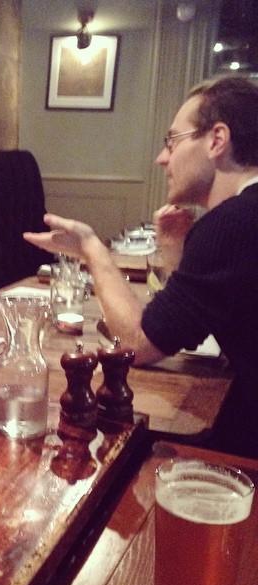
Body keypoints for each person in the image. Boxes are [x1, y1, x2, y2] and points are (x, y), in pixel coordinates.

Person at [23, 75, 258, 459]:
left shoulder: (233, 223)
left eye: (172, 141)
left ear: (217, 140)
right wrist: (176, 248)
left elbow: (139, 343)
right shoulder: (242, 217)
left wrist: (92, 249)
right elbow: (189, 327)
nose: (162, 158)